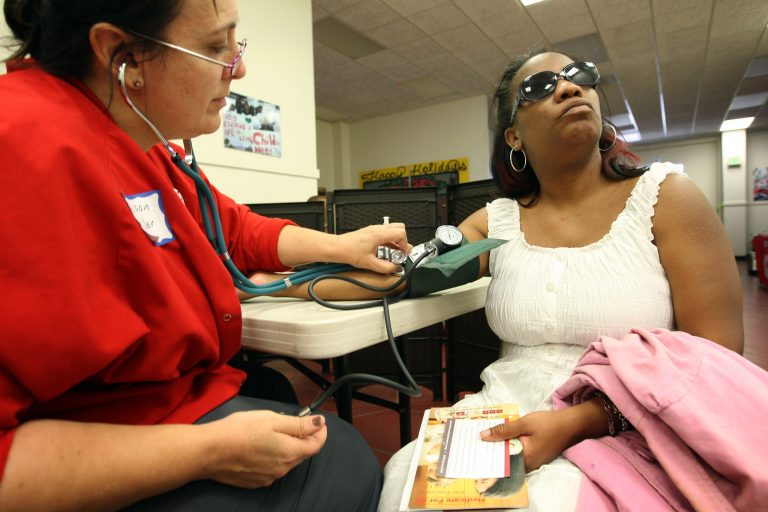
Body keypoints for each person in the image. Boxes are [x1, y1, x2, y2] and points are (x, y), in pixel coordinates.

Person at [0, 1, 411, 510]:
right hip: (100, 450)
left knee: (287, 400)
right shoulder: (20, 144)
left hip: (171, 399)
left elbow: (231, 227)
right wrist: (209, 452)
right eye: (216, 48)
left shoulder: (142, 142)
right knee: (346, 465)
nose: (238, 68)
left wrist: (341, 244)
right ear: (119, 54)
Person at [378, 48, 744, 510]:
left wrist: (584, 421)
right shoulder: (498, 221)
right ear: (514, 136)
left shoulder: (667, 198)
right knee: (404, 485)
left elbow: (718, 353)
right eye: (539, 88)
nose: (569, 87)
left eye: (579, 76)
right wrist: (305, 265)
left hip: (634, 421)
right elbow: (411, 274)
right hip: (502, 415)